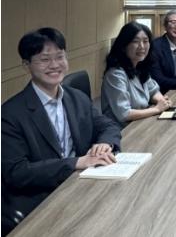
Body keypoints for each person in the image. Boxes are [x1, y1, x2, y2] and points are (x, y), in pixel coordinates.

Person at [1, 28, 121, 235]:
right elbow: (17, 173)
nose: (55, 65)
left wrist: (104, 143)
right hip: (41, 199)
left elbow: (108, 126)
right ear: (26, 65)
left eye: (60, 56)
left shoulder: (77, 98)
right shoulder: (10, 114)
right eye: (44, 59)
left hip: (80, 186)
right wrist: (76, 163)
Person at [101, 22, 172, 128]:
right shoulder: (115, 75)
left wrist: (162, 101)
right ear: (123, 46)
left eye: (145, 41)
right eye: (135, 41)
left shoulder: (139, 66)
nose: (142, 46)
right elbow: (124, 114)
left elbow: (153, 91)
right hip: (122, 130)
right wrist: (157, 109)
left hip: (140, 123)